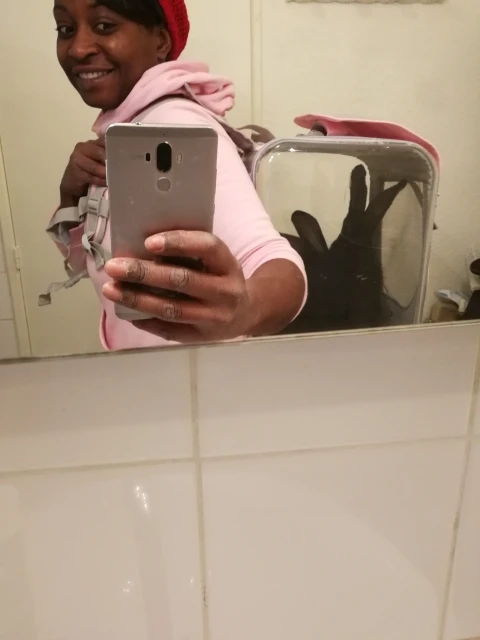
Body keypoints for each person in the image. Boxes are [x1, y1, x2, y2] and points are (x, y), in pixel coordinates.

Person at [52, 0, 307, 350]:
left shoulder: (174, 124)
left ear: (160, 41)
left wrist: (246, 310)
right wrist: (71, 195)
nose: (78, 48)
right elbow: (91, 261)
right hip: (149, 374)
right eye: (66, 29)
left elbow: (277, 264)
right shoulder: (127, 132)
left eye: (104, 26)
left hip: (188, 378)